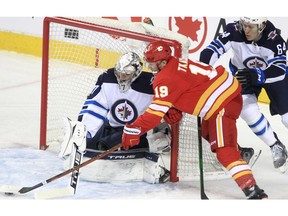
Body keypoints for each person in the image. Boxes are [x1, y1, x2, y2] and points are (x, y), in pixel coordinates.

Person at [121, 41, 268, 199]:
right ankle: (242, 153)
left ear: (163, 62)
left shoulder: (165, 78)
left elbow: (154, 114)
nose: (149, 67)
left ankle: (252, 189)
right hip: (224, 92)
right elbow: (188, 85)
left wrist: (134, 129)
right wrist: (175, 107)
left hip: (223, 103)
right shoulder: (176, 62)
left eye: (152, 63)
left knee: (224, 150)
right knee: (208, 134)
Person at [59, 51, 171, 184]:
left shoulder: (151, 84)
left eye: (127, 74)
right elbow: (95, 106)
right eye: (119, 72)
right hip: (111, 128)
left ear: (137, 72)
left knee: (105, 146)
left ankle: (155, 148)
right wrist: (85, 130)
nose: (122, 76)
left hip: (136, 131)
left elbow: (162, 108)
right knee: (89, 145)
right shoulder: (108, 78)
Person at [199, 17, 288, 172]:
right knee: (246, 109)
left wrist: (257, 75)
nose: (246, 30)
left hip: (271, 77)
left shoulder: (274, 40)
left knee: (287, 118)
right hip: (242, 74)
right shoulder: (233, 30)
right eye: (244, 25)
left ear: (262, 26)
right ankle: (276, 145)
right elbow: (211, 50)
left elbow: (280, 70)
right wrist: (202, 71)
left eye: (251, 27)